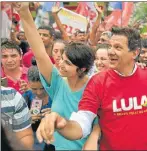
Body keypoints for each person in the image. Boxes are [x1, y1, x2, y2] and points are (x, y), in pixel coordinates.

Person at [36, 26, 147, 150]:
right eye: (110, 46)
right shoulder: (98, 81)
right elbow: (83, 122)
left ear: (135, 53)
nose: (110, 52)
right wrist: (62, 123)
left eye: (117, 47)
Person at [15, 3, 96, 150]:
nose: (61, 64)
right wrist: (24, 12)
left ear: (82, 69)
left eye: (68, 63)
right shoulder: (57, 81)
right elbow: (39, 53)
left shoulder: (95, 87)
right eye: (62, 59)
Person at [22, 65, 52, 150]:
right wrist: (26, 119)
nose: (38, 92)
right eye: (34, 89)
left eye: (42, 88)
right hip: (35, 143)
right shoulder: (26, 96)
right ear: (28, 83)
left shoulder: (56, 96)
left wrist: (56, 112)